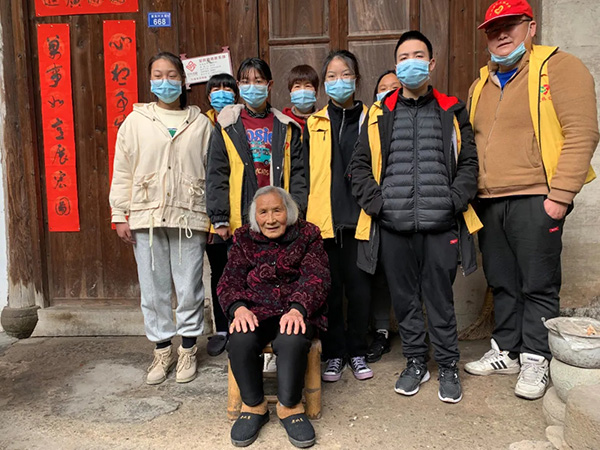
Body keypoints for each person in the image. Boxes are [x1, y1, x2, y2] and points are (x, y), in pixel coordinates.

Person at [465, 0, 599, 400]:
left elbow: (582, 132)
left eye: (510, 25)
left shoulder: (559, 67)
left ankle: (536, 357)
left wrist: (560, 196)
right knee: (501, 281)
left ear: (531, 27)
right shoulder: (481, 84)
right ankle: (507, 350)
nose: (501, 35)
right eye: (493, 29)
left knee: (538, 283)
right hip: (489, 200)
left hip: (537, 197)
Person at [350, 31, 480, 404]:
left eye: (418, 55)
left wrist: (453, 201)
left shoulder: (452, 110)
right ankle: (415, 362)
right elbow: (359, 167)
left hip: (441, 226)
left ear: (431, 63)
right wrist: (380, 206)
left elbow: (469, 163)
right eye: (404, 57)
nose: (411, 63)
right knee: (405, 300)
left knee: (440, 299)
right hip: (394, 227)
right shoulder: (379, 113)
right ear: (396, 65)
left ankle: (449, 365)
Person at [109, 52, 213, 384]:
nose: (165, 81)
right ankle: (162, 350)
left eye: (171, 75)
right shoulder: (136, 121)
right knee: (154, 290)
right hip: (146, 216)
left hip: (189, 216)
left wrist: (214, 217)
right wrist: (119, 213)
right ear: (150, 80)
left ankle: (188, 350)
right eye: (158, 75)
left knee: (189, 287)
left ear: (183, 81)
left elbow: (213, 172)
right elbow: (123, 170)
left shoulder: (201, 124)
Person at [219, 186, 329, 448]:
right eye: (263, 212)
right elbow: (230, 279)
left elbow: (317, 277)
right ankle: (254, 405)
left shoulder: (308, 234)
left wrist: (298, 308)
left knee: (292, 338)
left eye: (277, 210)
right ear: (254, 216)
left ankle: (290, 407)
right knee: (240, 337)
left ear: (288, 211)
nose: (270, 219)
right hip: (255, 309)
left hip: (294, 309)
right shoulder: (243, 238)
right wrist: (238, 308)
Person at [303, 50, 374, 382]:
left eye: (345, 74)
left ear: (356, 79)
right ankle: (333, 354)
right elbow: (304, 174)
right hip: (325, 223)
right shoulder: (314, 123)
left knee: (360, 291)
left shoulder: (372, 119)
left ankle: (357, 352)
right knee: (329, 292)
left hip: (361, 220)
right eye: (331, 76)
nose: (338, 81)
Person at [207, 57, 307, 243]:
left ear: (269, 85)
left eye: (258, 81)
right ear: (239, 85)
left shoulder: (286, 126)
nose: (252, 87)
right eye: (246, 82)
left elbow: (297, 175)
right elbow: (217, 172)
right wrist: (219, 217)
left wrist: (297, 213)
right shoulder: (227, 125)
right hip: (239, 218)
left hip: (277, 219)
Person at [365, 70, 402, 363]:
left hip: (414, 211)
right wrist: (375, 202)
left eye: (394, 87)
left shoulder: (420, 115)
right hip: (379, 211)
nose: (388, 91)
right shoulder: (370, 119)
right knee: (377, 275)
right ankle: (381, 331)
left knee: (409, 275)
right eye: (383, 87)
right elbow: (360, 165)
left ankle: (416, 333)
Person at [203, 73, 239, 357]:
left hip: (238, 210)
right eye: (216, 88)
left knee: (243, 270)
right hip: (209, 215)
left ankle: (242, 324)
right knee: (219, 272)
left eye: (228, 88)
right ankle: (222, 328)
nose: (222, 92)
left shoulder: (241, 122)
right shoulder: (201, 124)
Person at [282, 64, 320, 131]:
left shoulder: (324, 119)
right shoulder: (283, 121)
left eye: (308, 86)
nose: (302, 90)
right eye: (297, 86)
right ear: (291, 93)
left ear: (316, 92)